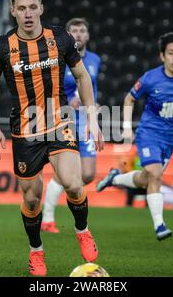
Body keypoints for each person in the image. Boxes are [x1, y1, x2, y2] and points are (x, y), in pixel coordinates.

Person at [0, 0, 104, 276]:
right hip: (24, 131)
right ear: (13, 11)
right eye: (21, 8)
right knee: (31, 198)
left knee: (75, 183)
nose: (27, 14)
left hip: (60, 122)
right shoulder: (1, 47)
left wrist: (92, 118)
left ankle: (82, 230)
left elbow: (82, 76)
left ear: (41, 8)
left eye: (32, 7)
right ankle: (36, 251)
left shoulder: (60, 37)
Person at [97, 32, 173, 241]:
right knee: (155, 174)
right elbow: (129, 99)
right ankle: (159, 225)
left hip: (171, 137)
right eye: (171, 53)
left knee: (147, 179)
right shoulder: (150, 78)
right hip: (148, 134)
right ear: (162, 56)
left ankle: (114, 177)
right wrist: (127, 127)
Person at [41, 18, 101, 233]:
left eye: (82, 30)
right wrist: (68, 99)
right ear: (67, 34)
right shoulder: (59, 58)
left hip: (84, 120)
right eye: (73, 30)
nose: (78, 34)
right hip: (63, 118)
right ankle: (47, 217)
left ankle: (65, 192)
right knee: (67, 171)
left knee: (87, 174)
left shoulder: (95, 60)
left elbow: (90, 85)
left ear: (87, 35)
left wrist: (93, 104)